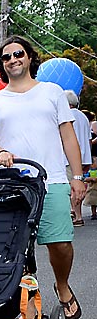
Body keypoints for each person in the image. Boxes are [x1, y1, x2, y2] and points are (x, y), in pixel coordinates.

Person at [0, 35, 86, 319]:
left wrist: (77, 176)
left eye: (18, 54)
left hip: (50, 180)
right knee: (16, 246)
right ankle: (26, 304)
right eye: (6, 57)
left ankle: (62, 286)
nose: (13, 59)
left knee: (60, 242)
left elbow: (69, 137)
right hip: (11, 184)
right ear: (1, 65)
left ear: (29, 57)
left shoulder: (52, 92)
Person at [64, 90, 92, 226]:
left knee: (71, 186)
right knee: (79, 184)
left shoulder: (66, 116)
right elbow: (89, 139)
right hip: (83, 157)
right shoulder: (84, 117)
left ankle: (74, 213)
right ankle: (78, 214)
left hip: (68, 157)